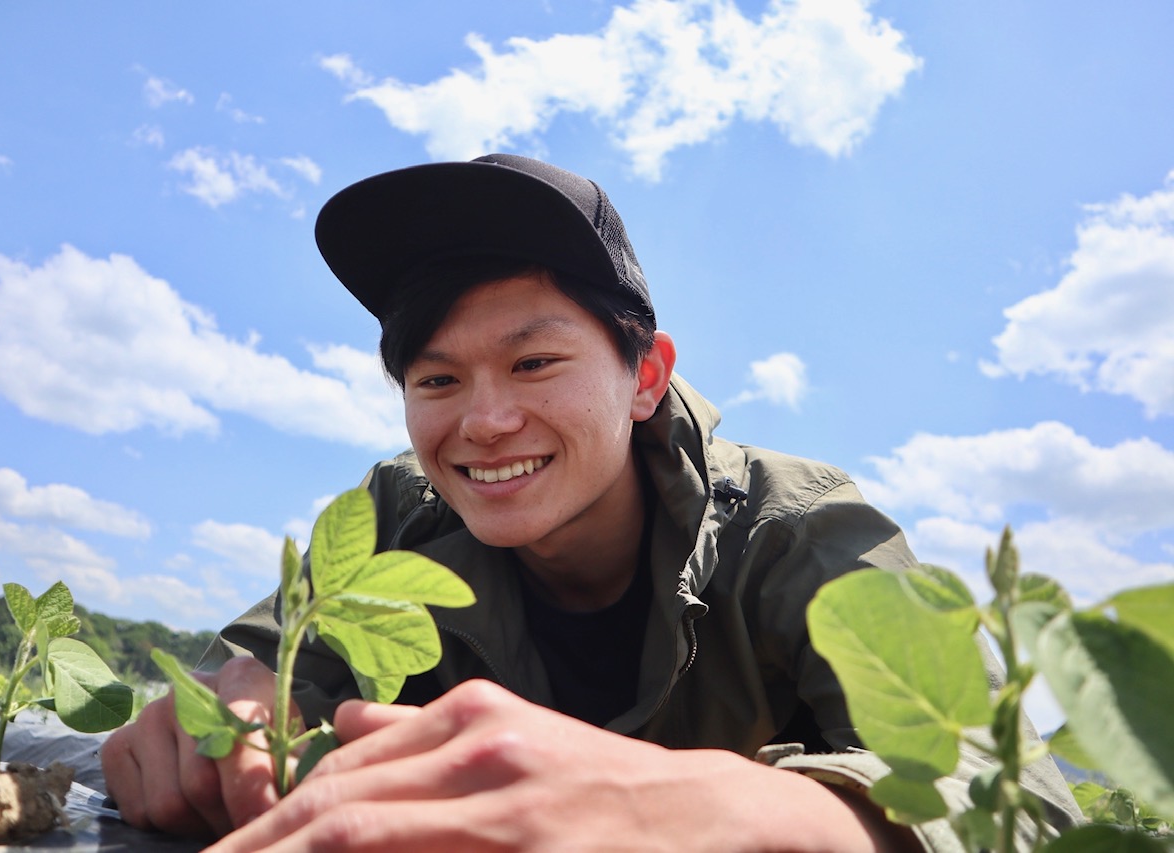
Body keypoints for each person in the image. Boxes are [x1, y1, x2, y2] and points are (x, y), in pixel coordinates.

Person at [101, 154, 1079, 851]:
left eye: (534, 362)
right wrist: (220, 711)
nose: (482, 422)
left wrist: (740, 815)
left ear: (645, 375)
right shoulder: (400, 516)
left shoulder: (798, 533)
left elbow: (1011, 797)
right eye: (435, 381)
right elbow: (270, 667)